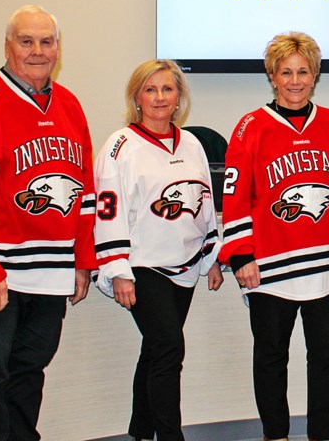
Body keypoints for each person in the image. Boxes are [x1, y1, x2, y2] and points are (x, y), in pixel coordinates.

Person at [0, 4, 97, 440]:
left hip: (50, 271)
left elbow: (83, 192)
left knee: (29, 370)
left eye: (46, 41)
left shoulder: (68, 104)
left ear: (58, 48)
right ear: (8, 45)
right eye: (27, 41)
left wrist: (83, 259)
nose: (37, 51)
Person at [220, 32, 329, 441]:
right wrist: (240, 254)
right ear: (272, 76)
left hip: (328, 263)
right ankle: (277, 434)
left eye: (302, 72)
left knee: (326, 359)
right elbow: (235, 194)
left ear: (315, 75)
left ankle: (321, 435)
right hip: (270, 266)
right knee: (271, 358)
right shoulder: (251, 127)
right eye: (285, 72)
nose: (294, 80)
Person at [93, 59, 224, 441]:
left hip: (183, 268)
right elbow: (107, 209)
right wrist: (117, 268)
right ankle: (170, 436)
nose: (160, 97)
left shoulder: (193, 143)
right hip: (142, 267)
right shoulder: (120, 146)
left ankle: (141, 431)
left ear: (179, 96)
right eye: (150, 89)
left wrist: (210, 258)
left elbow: (203, 203)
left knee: (155, 351)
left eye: (167, 89)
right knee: (169, 349)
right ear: (136, 97)